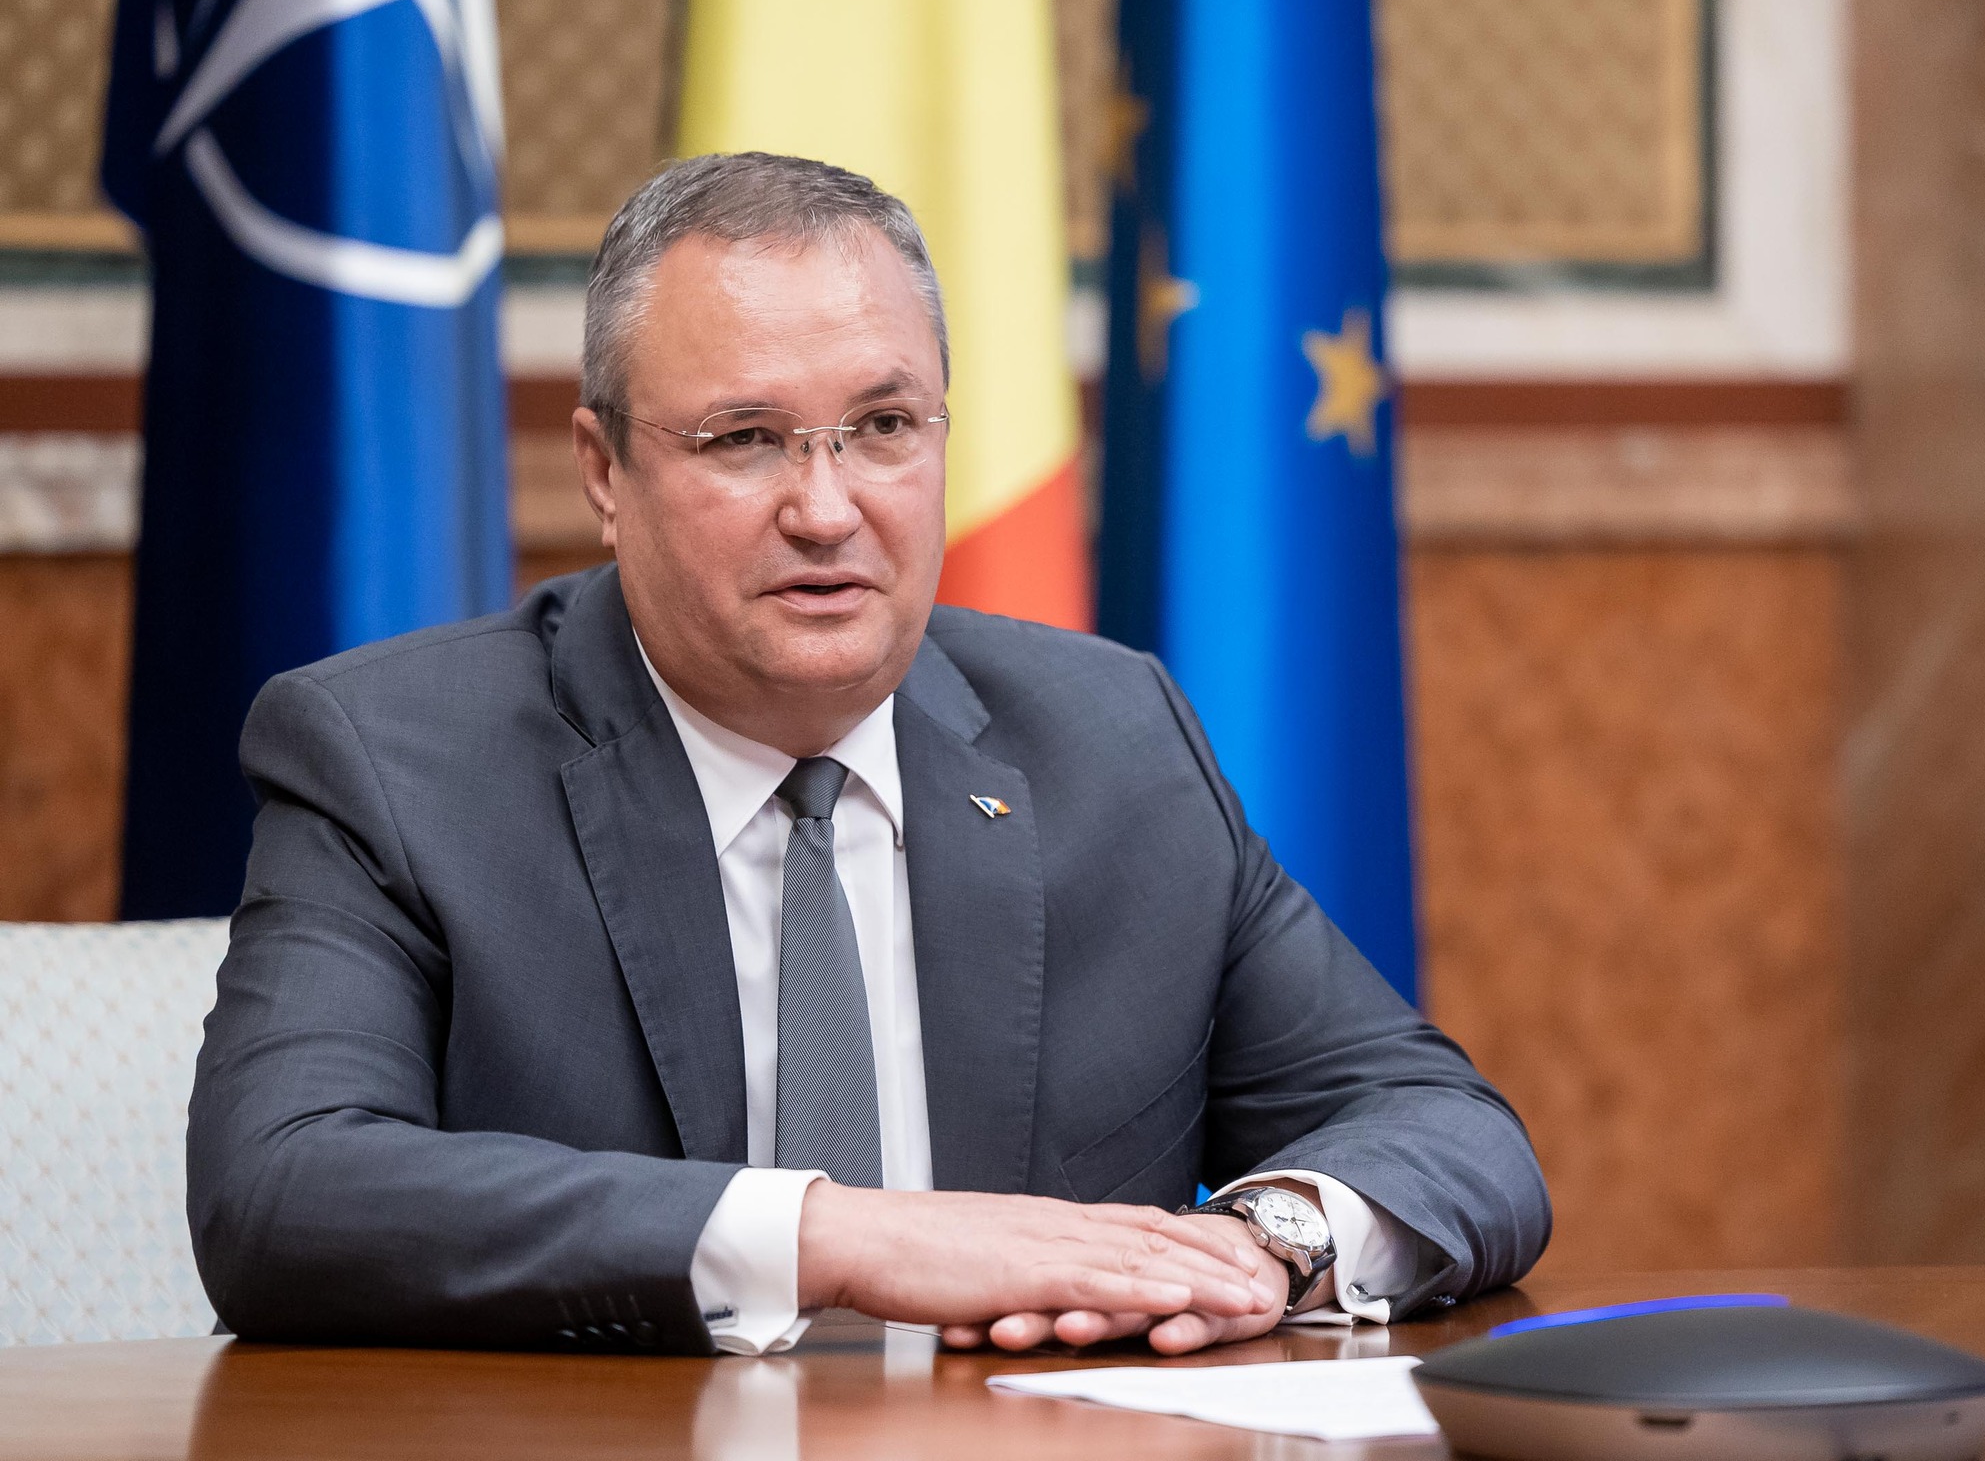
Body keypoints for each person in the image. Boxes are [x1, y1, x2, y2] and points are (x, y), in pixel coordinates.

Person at [188, 152, 1548, 1359]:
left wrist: (1264, 1245)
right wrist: (834, 1237)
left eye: (885, 429)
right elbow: (281, 1192)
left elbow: (1445, 1126)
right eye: (744, 440)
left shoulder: (1114, 737)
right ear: (603, 472)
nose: (828, 509)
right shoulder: (395, 761)